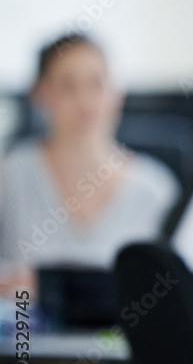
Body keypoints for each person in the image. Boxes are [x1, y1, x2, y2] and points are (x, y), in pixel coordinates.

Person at [0, 34, 178, 294]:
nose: (84, 101)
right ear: (40, 93)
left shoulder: (156, 190)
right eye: (67, 86)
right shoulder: (10, 177)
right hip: (25, 332)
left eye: (97, 83)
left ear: (117, 92)